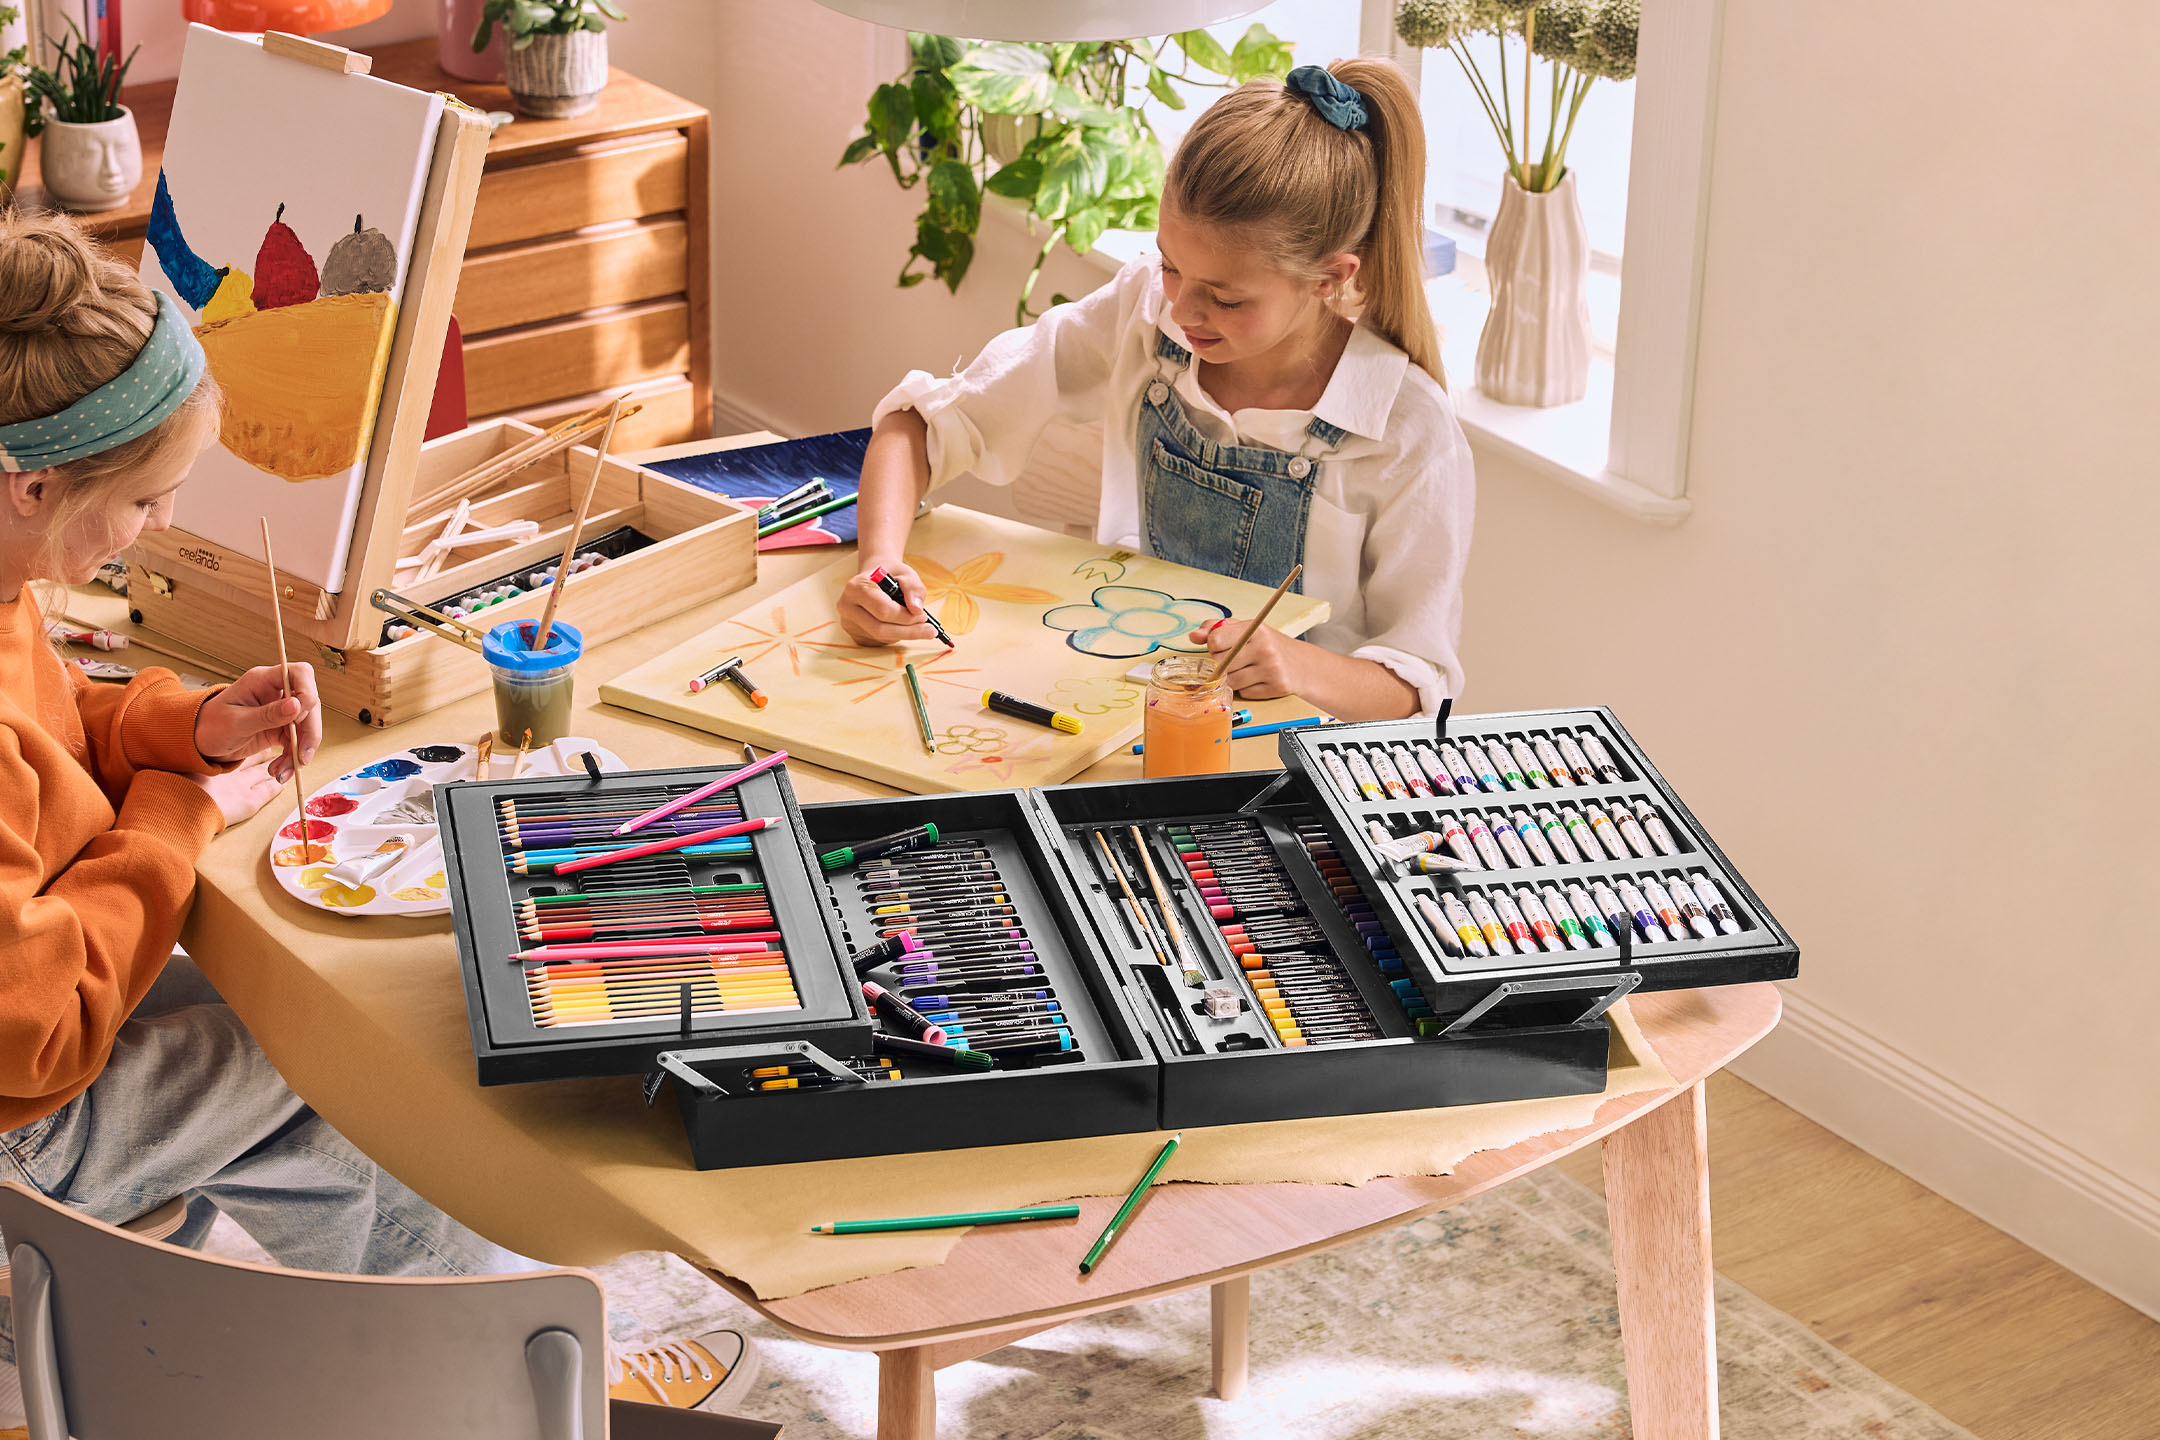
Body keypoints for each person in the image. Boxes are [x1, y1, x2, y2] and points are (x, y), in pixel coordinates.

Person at [0, 212, 753, 1417]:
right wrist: (179, 809)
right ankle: (519, 1385)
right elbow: (34, 1033)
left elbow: (51, 721)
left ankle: (491, 1382)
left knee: (310, 1120)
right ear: (32, 481)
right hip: (21, 1136)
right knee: (328, 1057)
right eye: (147, 501)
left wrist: (179, 728)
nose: (158, 527)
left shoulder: (6, 568)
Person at [837, 60, 1473, 721]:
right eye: (1171, 265)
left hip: (1294, 765)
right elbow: (919, 426)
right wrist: (878, 565)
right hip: (1130, 714)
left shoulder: (1406, 429)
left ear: (1329, 278)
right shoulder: (1144, 311)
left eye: (1226, 298)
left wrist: (1298, 664)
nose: (1186, 310)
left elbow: (1420, 684)